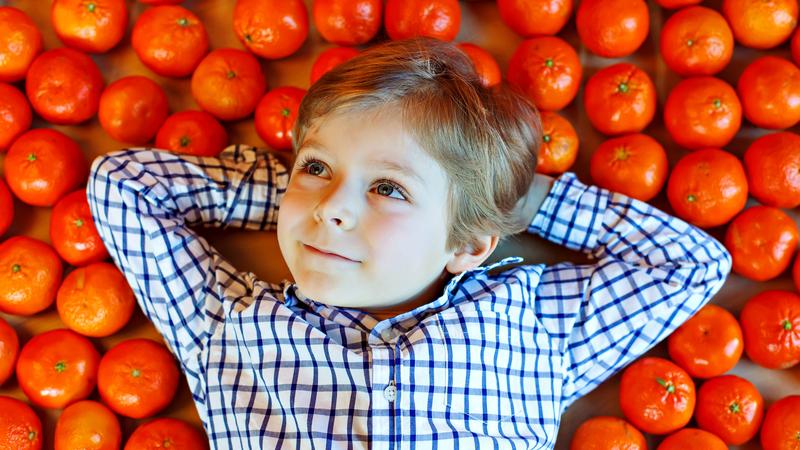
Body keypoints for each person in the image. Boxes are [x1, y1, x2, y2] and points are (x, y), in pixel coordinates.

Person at [86, 37, 731, 449]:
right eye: (316, 167)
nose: (334, 209)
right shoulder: (227, 326)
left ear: (468, 244)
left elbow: (691, 264)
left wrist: (516, 199)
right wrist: (290, 191)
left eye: (389, 189)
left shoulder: (533, 327)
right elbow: (122, 186)